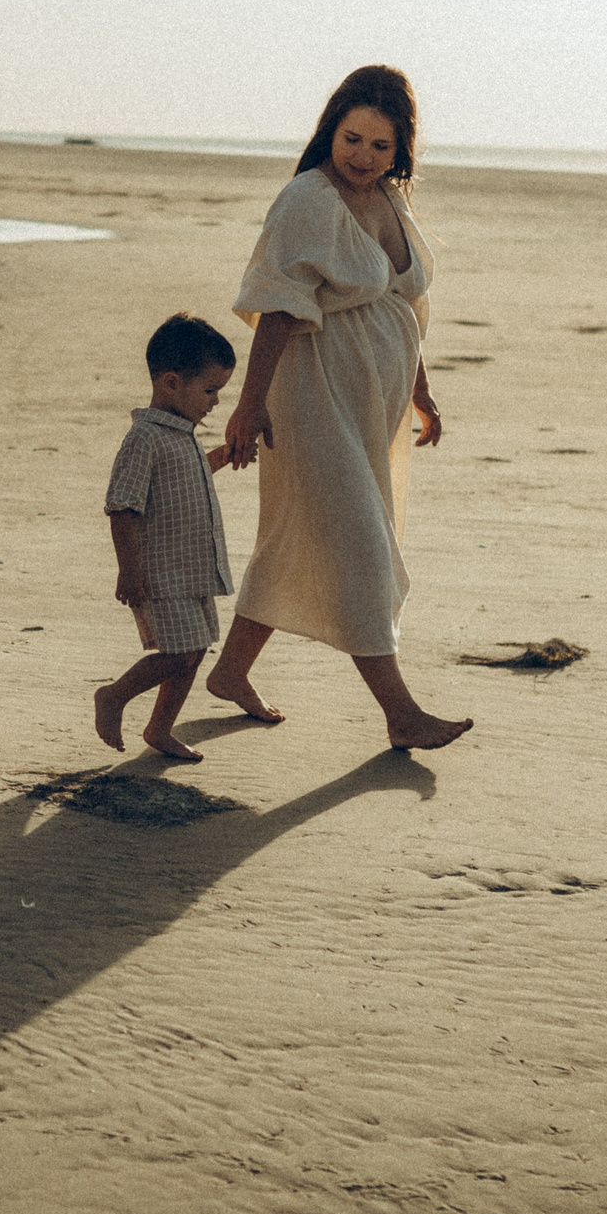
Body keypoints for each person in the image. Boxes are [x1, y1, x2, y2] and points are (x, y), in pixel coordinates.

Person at [204, 64, 471, 751]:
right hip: (310, 392)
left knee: (298, 533)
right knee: (359, 544)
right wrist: (249, 405)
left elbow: (406, 303)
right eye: (352, 138)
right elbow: (277, 309)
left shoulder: (393, 199)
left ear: (399, 151)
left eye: (380, 146)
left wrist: (421, 387)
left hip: (371, 401)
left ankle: (231, 672)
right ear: (331, 130)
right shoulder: (307, 200)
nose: (362, 156)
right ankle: (400, 711)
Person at [94, 314, 239, 762]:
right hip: (160, 573)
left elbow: (186, 482)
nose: (215, 402)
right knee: (179, 654)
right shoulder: (145, 438)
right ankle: (114, 696)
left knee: (193, 652)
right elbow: (123, 506)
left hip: (194, 568)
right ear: (172, 382)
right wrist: (129, 570)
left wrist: (221, 457)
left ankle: (160, 728)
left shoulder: (184, 436)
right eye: (210, 390)